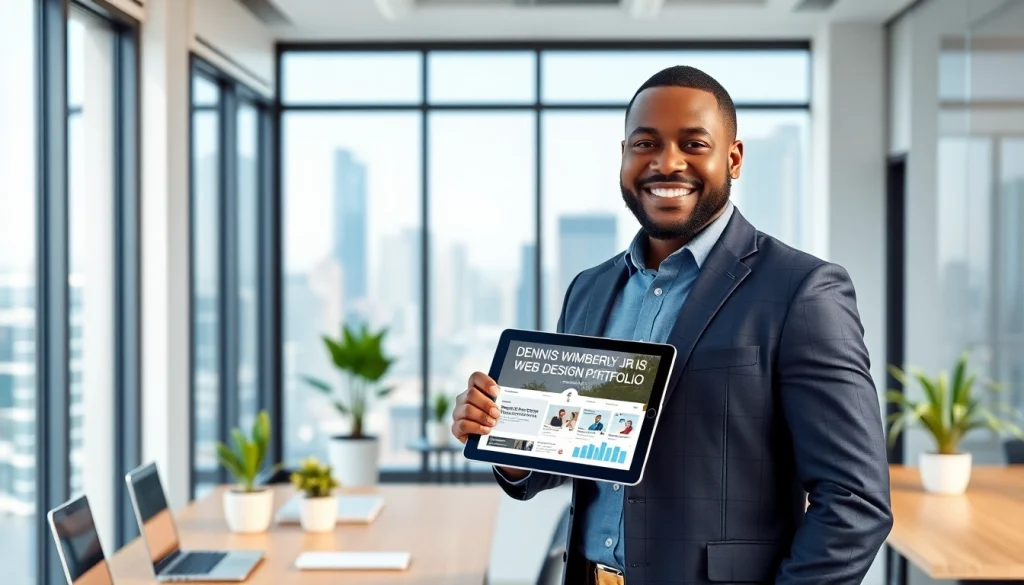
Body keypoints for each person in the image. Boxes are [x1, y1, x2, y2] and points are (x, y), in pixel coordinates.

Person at [451, 65, 892, 585]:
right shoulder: (589, 290)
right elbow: (571, 449)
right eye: (645, 143)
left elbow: (855, 503)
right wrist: (506, 438)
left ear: (733, 158)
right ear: (623, 156)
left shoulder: (802, 290)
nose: (667, 163)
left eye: (693, 143)